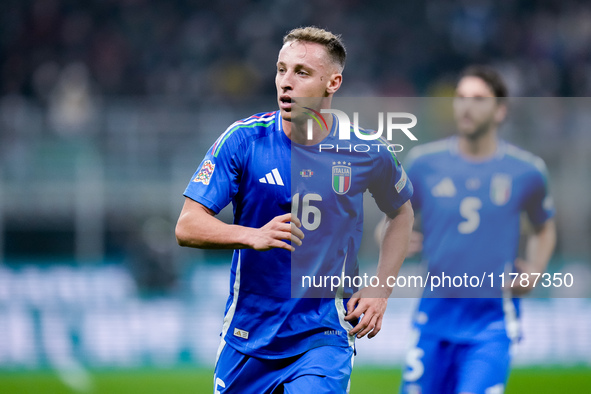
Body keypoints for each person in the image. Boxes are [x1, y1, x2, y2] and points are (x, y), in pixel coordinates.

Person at [175, 26, 414, 394]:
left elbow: (402, 212)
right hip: (248, 336)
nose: (286, 82)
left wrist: (381, 288)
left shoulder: (366, 150)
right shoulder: (243, 140)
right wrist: (252, 235)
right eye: (281, 69)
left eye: (301, 72)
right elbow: (187, 225)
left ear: (332, 83)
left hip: (323, 335)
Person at [399, 66, 556, 394]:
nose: (466, 106)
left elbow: (544, 227)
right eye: (461, 98)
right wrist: (395, 240)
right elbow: (393, 220)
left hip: (491, 324)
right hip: (434, 319)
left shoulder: (526, 172)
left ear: (500, 111)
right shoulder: (424, 164)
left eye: (479, 99)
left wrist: (535, 272)